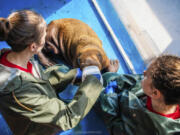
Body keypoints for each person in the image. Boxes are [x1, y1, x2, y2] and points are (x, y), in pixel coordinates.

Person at [0, 10, 104, 135]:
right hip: (36, 128)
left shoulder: (16, 56)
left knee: (60, 72)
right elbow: (66, 118)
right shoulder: (16, 91)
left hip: (35, 103)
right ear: (34, 47)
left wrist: (71, 75)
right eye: (45, 34)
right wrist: (93, 82)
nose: (46, 35)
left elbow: (37, 81)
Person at [96, 55, 180, 135]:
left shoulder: (146, 129)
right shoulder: (163, 91)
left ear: (155, 93)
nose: (144, 72)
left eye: (147, 75)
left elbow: (114, 126)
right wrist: (111, 74)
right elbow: (135, 80)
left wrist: (109, 95)